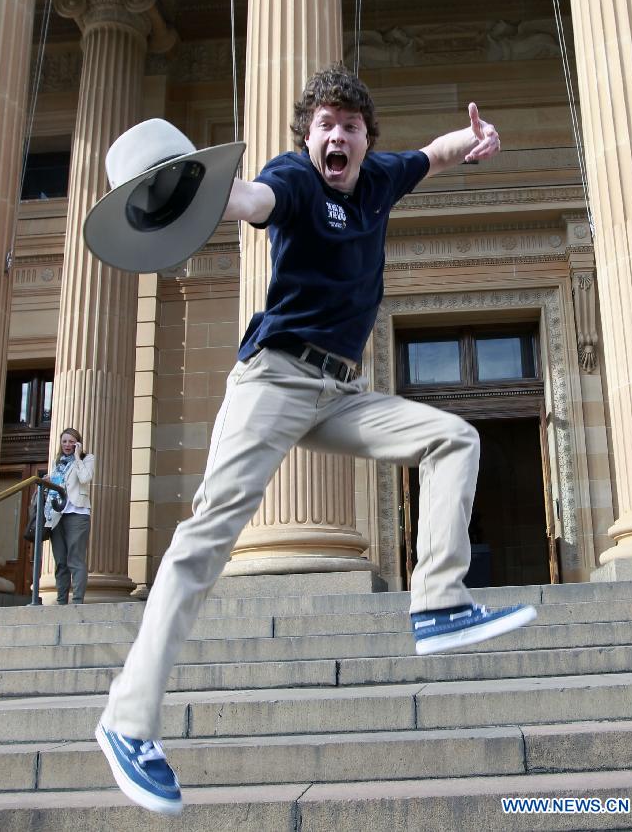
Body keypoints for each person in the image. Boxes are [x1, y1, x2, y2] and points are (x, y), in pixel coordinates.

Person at [95, 64, 537, 814]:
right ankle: (126, 721)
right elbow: (250, 200)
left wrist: (474, 138)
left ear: (365, 139)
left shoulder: (380, 178)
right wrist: (191, 186)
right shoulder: (293, 181)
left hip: (339, 389)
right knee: (205, 540)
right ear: (309, 138)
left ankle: (435, 603)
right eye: (324, 126)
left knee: (453, 438)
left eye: (349, 126)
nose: (337, 136)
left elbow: (431, 154)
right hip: (273, 381)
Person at [45, 427, 95, 605]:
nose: (67, 444)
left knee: (75, 559)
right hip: (57, 514)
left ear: (78, 443)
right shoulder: (57, 461)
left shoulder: (86, 459)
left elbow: (85, 478)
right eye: (64, 441)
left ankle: (77, 601)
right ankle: (61, 602)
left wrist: (77, 457)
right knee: (60, 561)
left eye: (71, 441)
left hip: (77, 513)